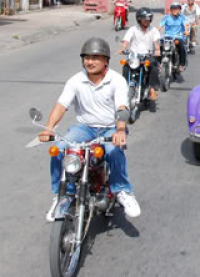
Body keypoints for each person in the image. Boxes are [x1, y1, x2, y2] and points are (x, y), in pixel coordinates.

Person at [39, 37, 140, 221]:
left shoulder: (116, 80)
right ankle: (63, 194)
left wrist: (119, 130)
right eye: (87, 57)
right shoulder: (76, 80)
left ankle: (122, 190)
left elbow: (122, 108)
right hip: (85, 128)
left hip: (110, 128)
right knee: (59, 150)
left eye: (95, 57)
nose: (90, 61)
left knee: (114, 151)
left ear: (106, 61)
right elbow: (61, 105)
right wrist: (49, 128)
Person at [121, 8, 161, 101]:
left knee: (153, 66)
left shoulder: (154, 30)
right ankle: (124, 87)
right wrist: (123, 48)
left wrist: (157, 50)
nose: (147, 20)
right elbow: (126, 40)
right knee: (126, 66)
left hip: (148, 55)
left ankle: (152, 89)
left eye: (149, 18)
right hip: (134, 56)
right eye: (144, 18)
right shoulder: (133, 29)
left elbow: (156, 42)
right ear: (139, 19)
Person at [160, 2, 190, 71]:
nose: (175, 10)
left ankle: (182, 64)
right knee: (159, 45)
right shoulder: (166, 17)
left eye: (177, 9)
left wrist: (186, 31)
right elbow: (160, 26)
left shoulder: (182, 17)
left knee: (181, 46)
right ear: (170, 10)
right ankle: (159, 63)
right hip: (167, 37)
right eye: (173, 8)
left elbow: (185, 24)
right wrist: (155, 31)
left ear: (180, 10)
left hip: (178, 37)